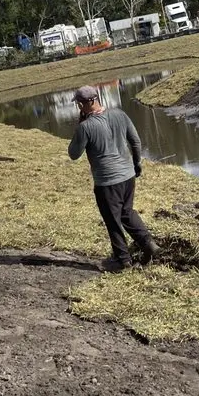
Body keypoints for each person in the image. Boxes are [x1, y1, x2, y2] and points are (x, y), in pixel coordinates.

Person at [67, 86, 160, 272]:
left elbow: (73, 154)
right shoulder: (119, 114)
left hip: (107, 181)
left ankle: (123, 261)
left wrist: (80, 127)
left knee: (113, 220)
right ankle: (149, 244)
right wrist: (136, 163)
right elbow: (135, 141)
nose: (79, 107)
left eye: (79, 104)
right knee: (127, 212)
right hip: (128, 175)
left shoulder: (85, 127)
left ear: (87, 103)